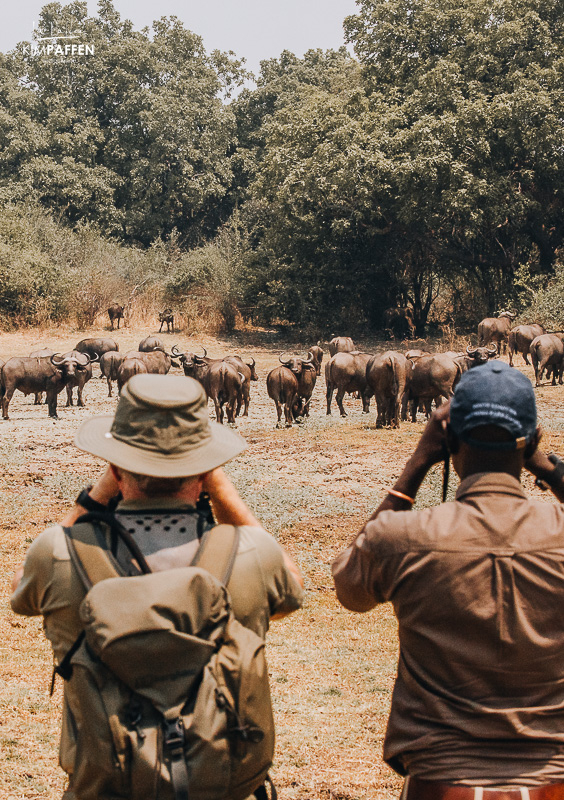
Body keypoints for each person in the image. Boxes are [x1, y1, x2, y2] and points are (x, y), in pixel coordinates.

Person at [11, 373, 304, 799]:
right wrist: (221, 490)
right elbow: (292, 588)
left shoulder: (57, 554)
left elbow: (21, 590)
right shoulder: (252, 554)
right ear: (203, 469)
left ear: (115, 467)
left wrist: (95, 496)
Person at [332, 360, 564, 799]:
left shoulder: (402, 538)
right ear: (531, 441)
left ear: (447, 440)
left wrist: (417, 463)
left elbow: (350, 589)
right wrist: (547, 466)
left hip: (440, 783)